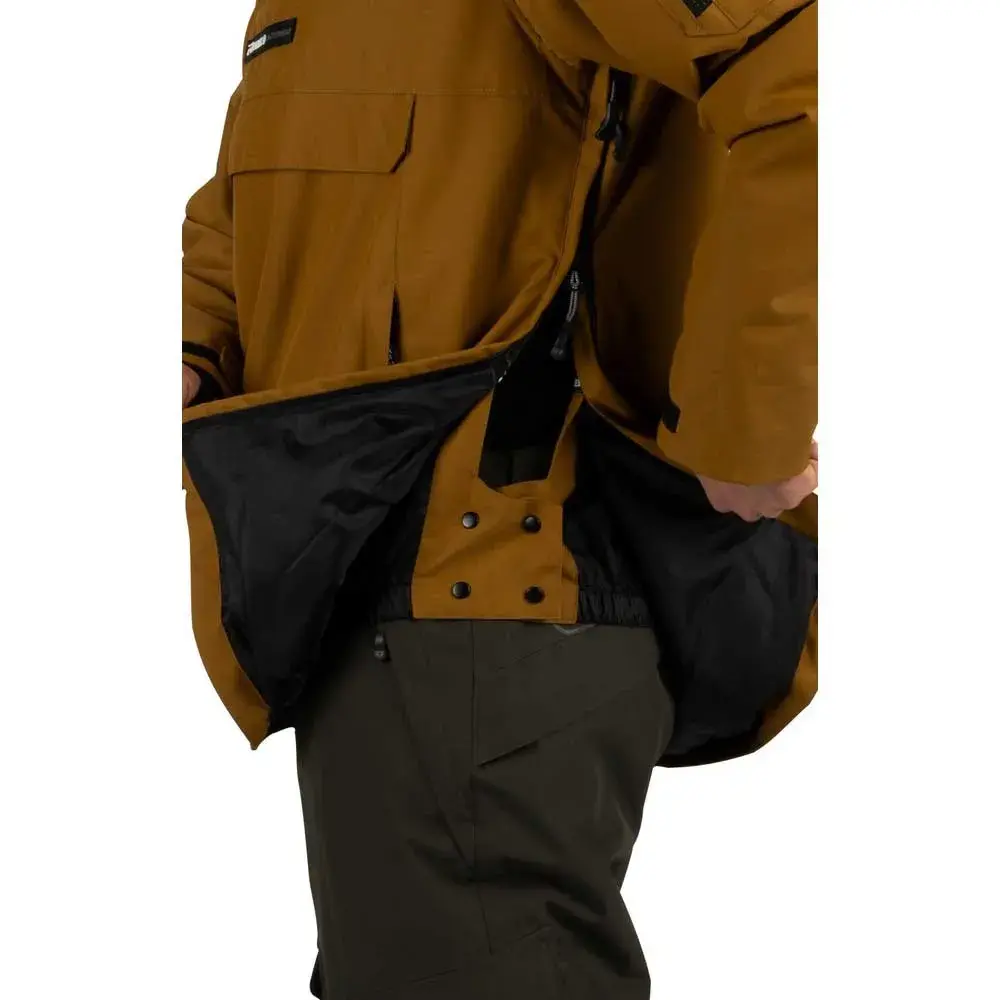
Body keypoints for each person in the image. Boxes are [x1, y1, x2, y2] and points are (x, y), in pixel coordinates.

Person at [180, 1, 818, 996]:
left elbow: (801, 63)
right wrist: (192, 348)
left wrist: (745, 426)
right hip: (350, 602)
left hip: (494, 596)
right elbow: (250, 197)